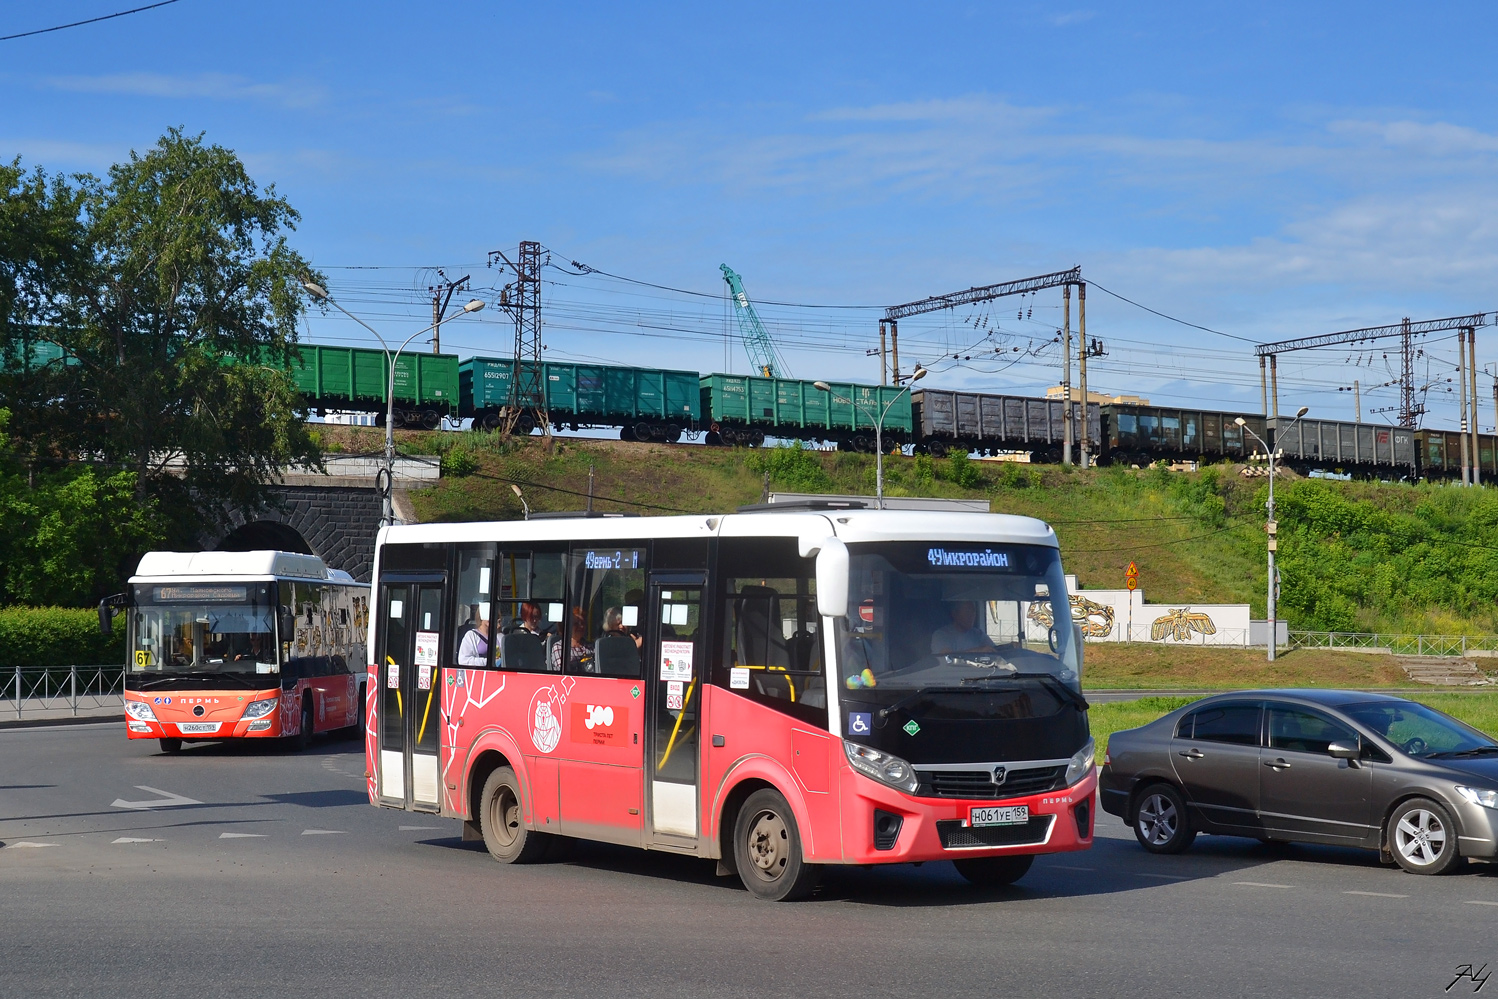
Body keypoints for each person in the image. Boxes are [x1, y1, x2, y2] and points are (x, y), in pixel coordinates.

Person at [931, 600, 998, 656]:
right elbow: (945, 658)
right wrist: (978, 651)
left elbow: (994, 650)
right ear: (955, 614)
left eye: (973, 611)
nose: (971, 615)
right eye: (967, 611)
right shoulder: (941, 635)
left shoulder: (978, 634)